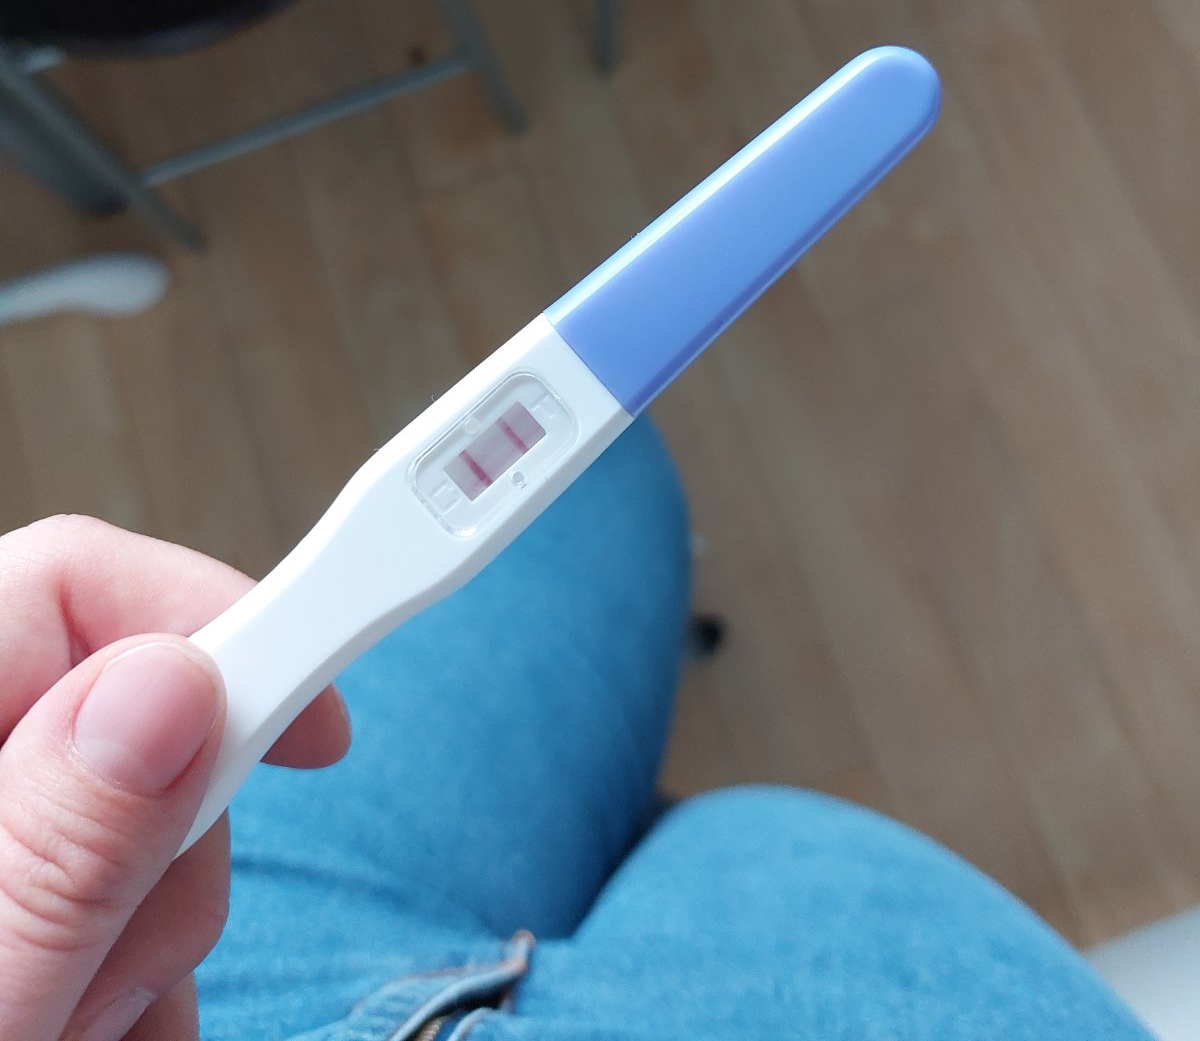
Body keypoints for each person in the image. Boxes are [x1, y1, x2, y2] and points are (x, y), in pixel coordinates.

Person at [0, 420, 1150, 1040]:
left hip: (208, 974)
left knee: (593, 471)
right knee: (771, 849)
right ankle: (642, 823)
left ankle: (634, 821)